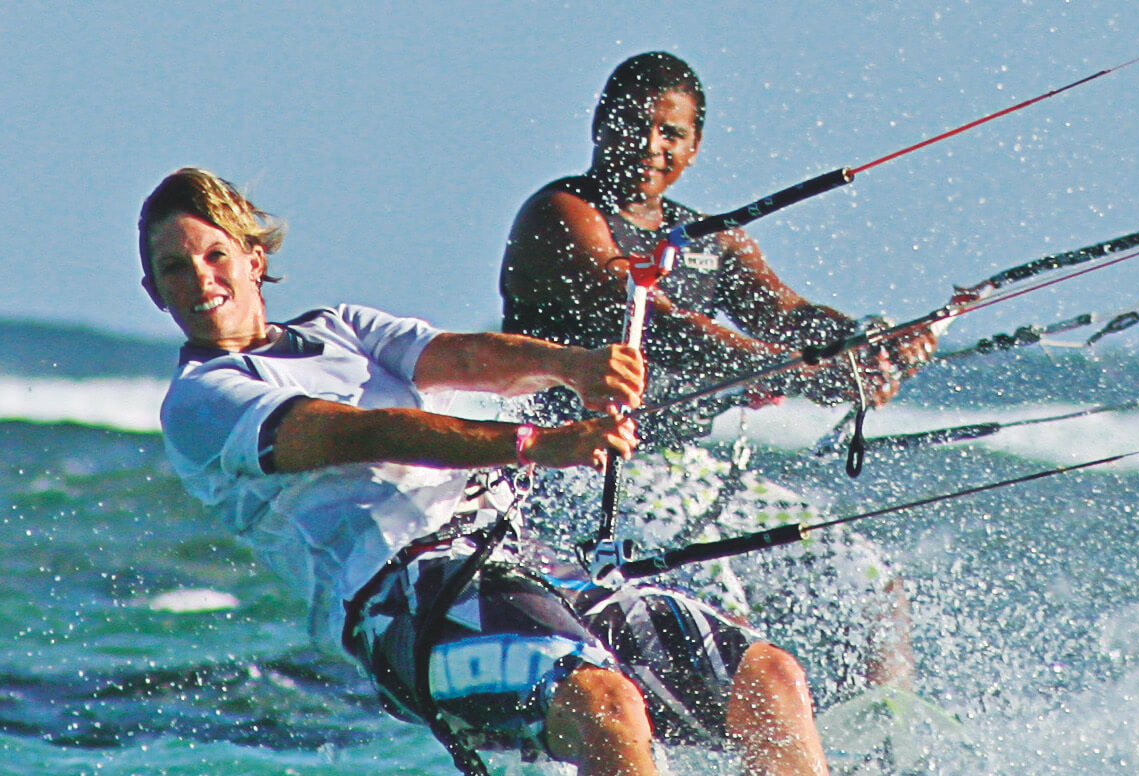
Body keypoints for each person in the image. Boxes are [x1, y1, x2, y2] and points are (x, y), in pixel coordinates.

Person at [141, 167, 827, 776]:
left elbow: (465, 360)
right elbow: (359, 432)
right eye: (175, 267)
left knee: (765, 676)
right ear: (154, 291)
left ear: (254, 259)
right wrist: (536, 443)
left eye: (214, 254)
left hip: (521, 563)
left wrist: (576, 366)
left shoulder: (340, 327)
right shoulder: (202, 400)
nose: (200, 277)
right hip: (407, 605)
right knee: (603, 703)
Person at [498, 52, 935, 700]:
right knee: (729, 621)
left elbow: (787, 314)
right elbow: (661, 322)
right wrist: (795, 372)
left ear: (695, 146)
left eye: (670, 133)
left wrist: (863, 347)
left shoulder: (706, 239)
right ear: (598, 124)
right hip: (572, 473)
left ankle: (877, 736)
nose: (650, 146)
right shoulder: (562, 215)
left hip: (679, 471)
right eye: (632, 124)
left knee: (870, 583)